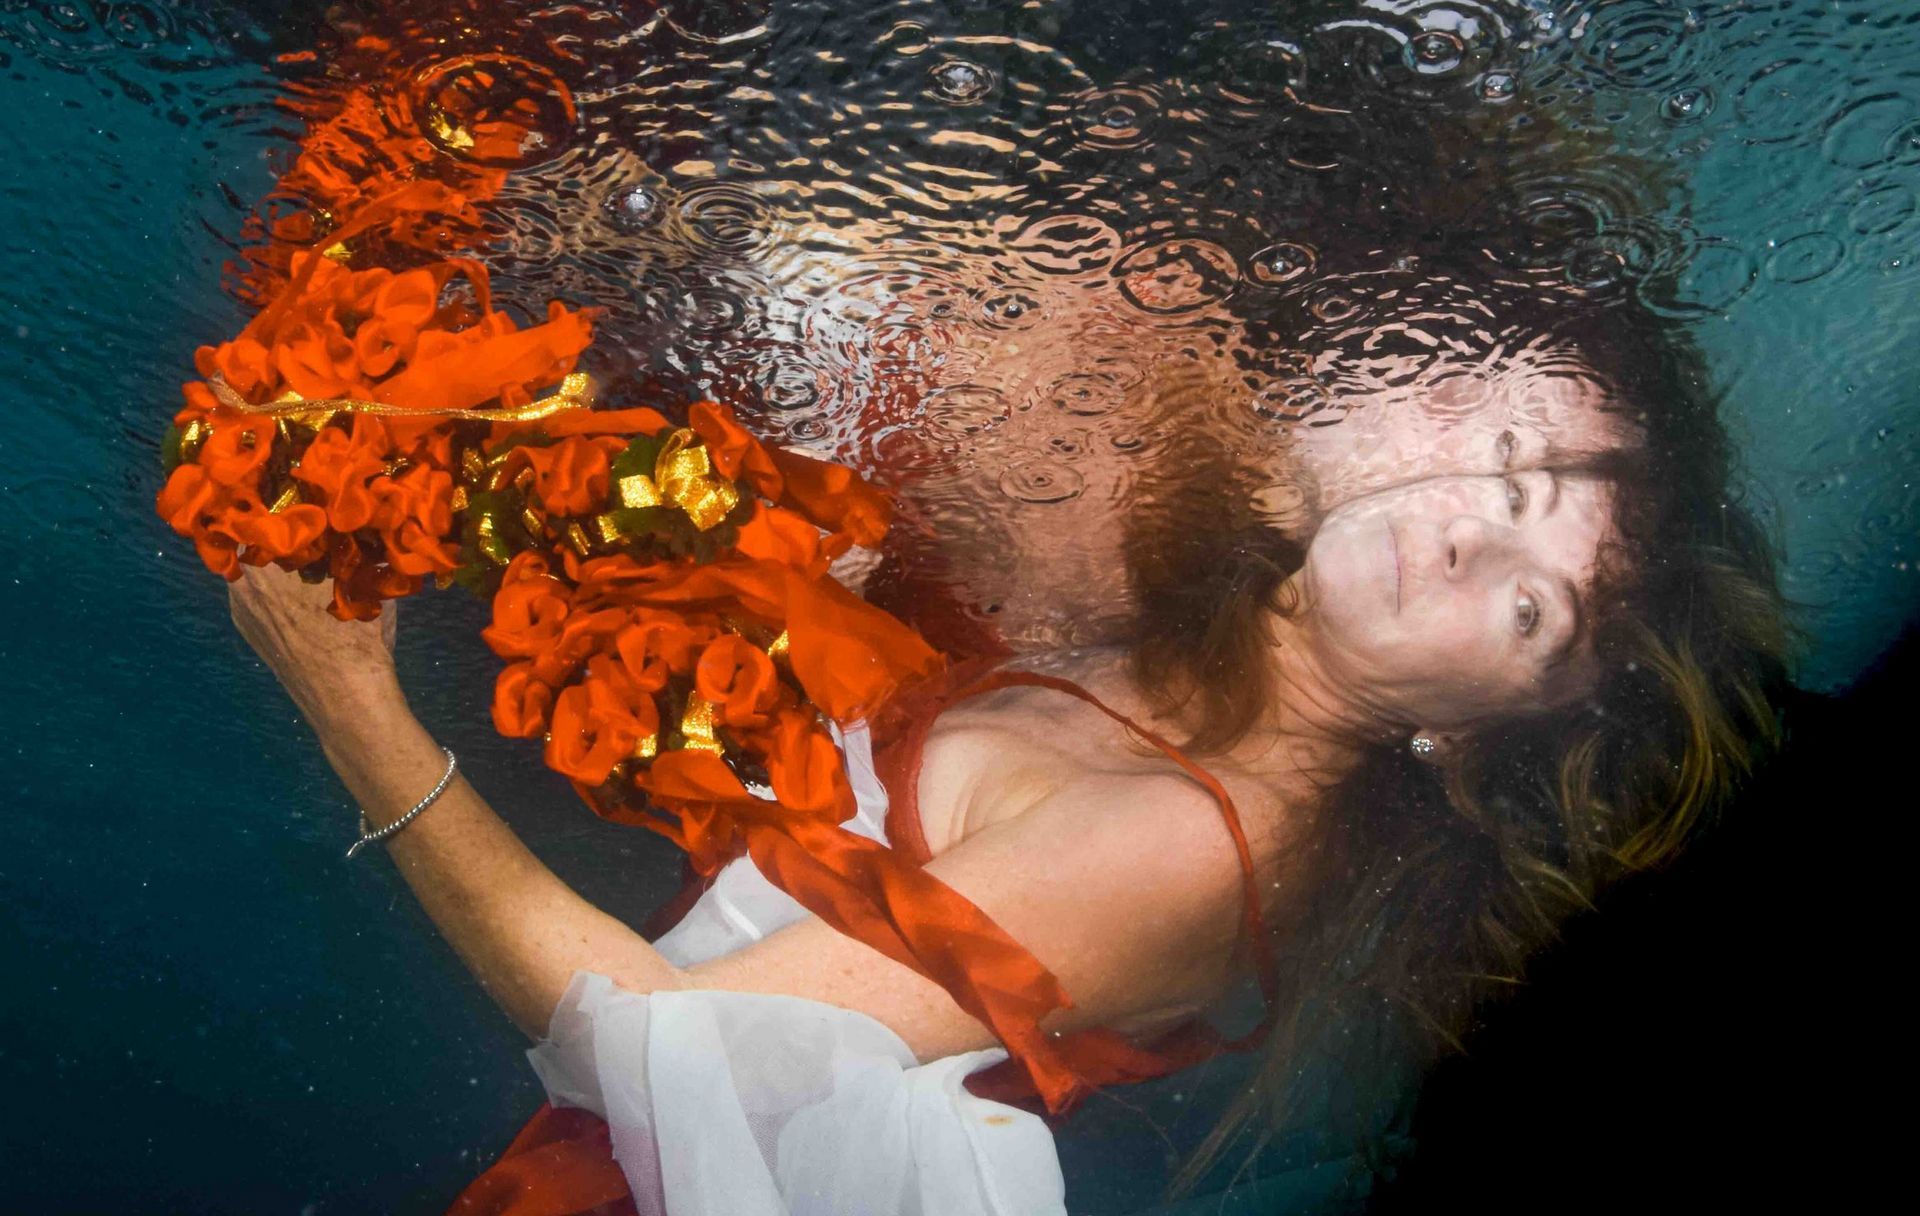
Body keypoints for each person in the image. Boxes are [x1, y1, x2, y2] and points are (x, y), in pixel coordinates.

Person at [224, 266, 1792, 1215]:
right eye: (1506, 494)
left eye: (1531, 617)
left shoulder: (1190, 840)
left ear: (1469, 744)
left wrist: (349, 699)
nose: (1469, 552)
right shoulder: (1208, 641)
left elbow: (642, 1033)